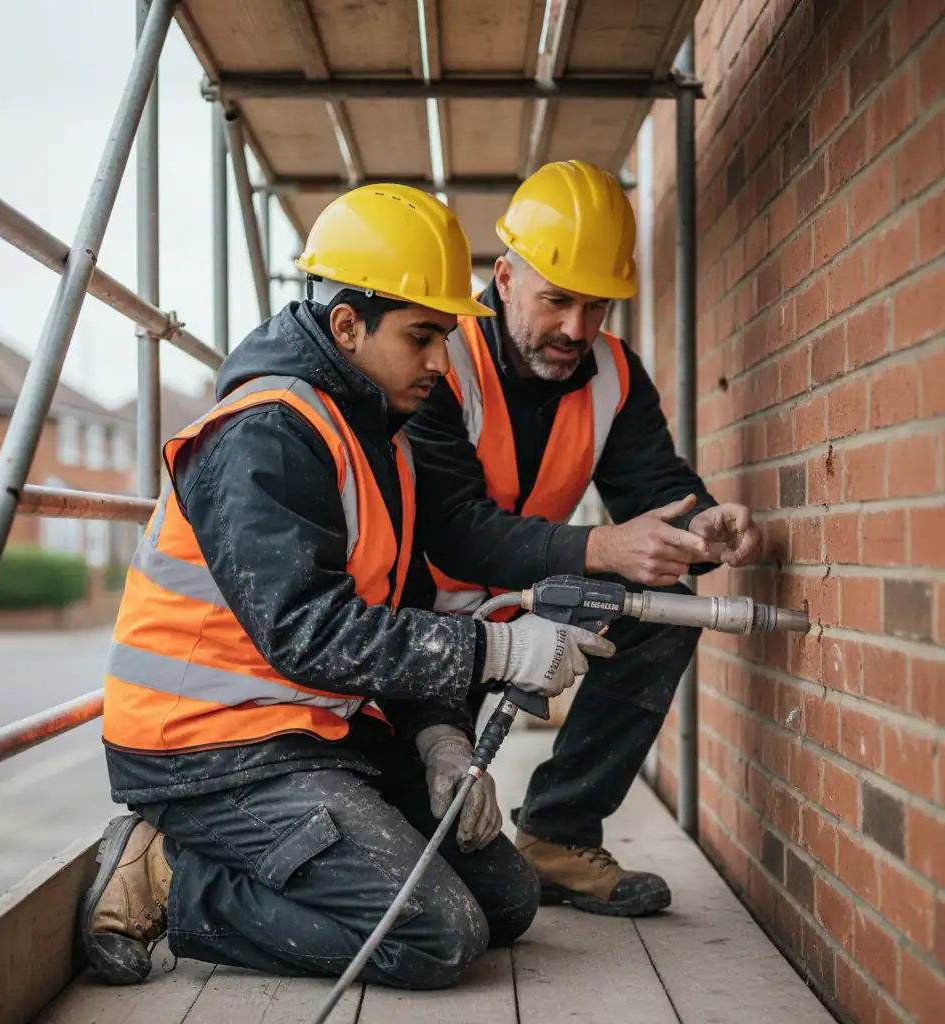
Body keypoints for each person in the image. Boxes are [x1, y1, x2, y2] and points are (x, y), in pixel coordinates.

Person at [79, 183, 614, 990]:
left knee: (507, 901)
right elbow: (309, 632)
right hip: (208, 749)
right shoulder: (266, 434)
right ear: (346, 326)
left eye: (446, 338)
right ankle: (173, 876)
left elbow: (401, 606)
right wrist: (498, 650)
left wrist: (439, 737)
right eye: (421, 336)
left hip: (311, 732)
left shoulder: (380, 439)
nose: (441, 363)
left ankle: (222, 859)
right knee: (439, 936)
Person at [403, 159, 763, 918]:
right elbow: (451, 529)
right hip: (419, 623)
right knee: (426, 862)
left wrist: (698, 523)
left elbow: (654, 485)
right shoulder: (441, 357)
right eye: (558, 300)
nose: (577, 329)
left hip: (530, 595)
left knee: (666, 610)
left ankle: (559, 836)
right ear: (505, 278)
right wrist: (601, 549)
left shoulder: (614, 374)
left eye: (597, 306)